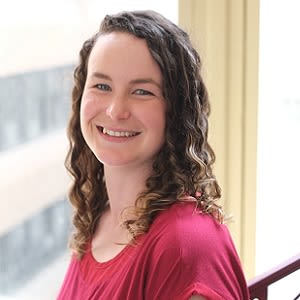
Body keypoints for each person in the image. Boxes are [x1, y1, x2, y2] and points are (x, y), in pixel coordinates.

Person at [57, 10, 250, 300]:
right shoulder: (98, 220)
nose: (115, 110)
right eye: (102, 86)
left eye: (142, 92)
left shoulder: (186, 246)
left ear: (176, 110)